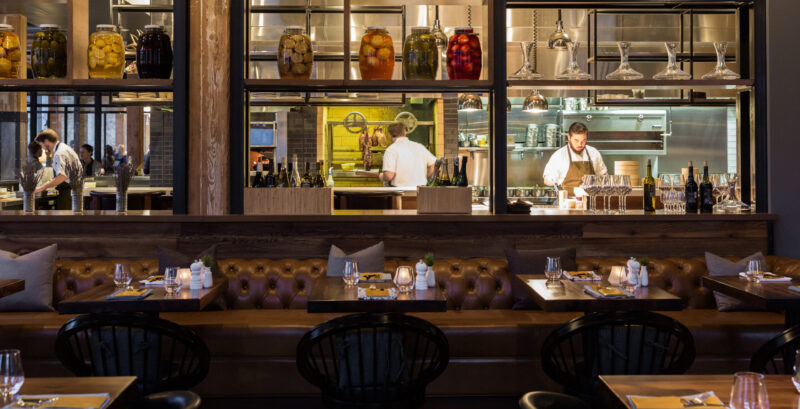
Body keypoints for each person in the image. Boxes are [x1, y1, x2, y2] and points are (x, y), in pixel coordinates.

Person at [543, 122, 608, 195]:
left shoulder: (593, 153)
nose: (580, 144)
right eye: (576, 140)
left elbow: (605, 177)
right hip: (567, 200)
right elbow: (547, 179)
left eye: (583, 141)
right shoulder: (559, 155)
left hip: (590, 200)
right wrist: (553, 180)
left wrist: (594, 180)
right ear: (569, 137)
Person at [33, 129, 82, 210]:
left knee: (65, 217)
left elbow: (62, 176)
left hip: (68, 192)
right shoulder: (63, 148)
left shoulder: (60, 153)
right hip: (72, 191)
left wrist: (41, 188)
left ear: (46, 141)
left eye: (41, 144)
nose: (42, 148)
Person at [379, 122, 437, 188]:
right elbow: (434, 164)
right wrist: (425, 177)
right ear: (404, 132)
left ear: (389, 135)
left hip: (400, 192)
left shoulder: (391, 150)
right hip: (420, 190)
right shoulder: (419, 147)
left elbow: (389, 176)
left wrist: (381, 176)